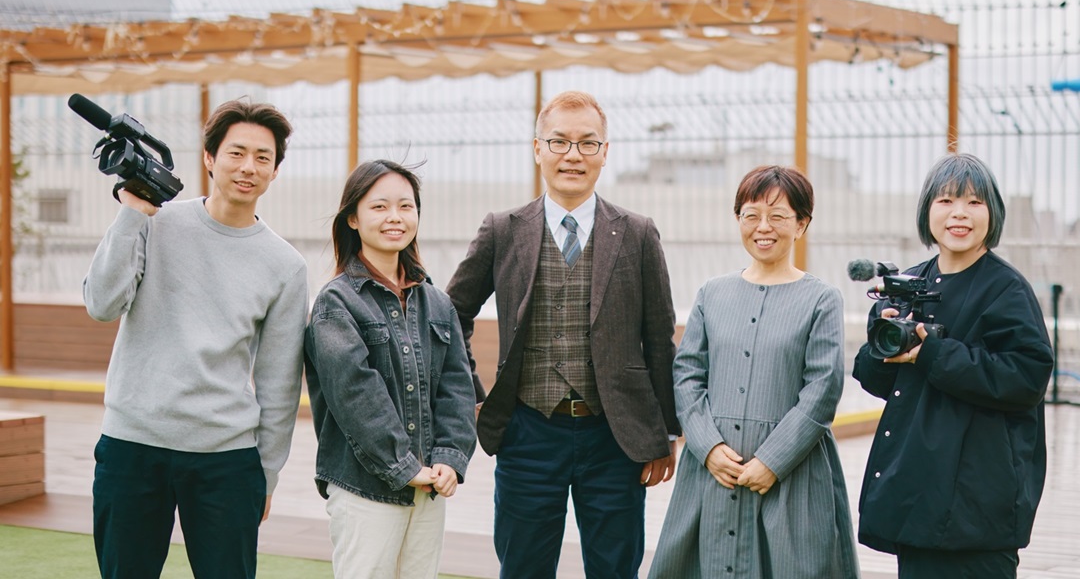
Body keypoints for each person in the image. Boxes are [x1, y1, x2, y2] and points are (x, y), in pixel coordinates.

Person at [445, 90, 679, 579]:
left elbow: (659, 338)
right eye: (559, 142)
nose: (573, 155)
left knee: (616, 570)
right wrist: (475, 394)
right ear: (538, 149)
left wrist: (666, 432)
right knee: (523, 568)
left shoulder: (638, 233)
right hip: (528, 432)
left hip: (616, 437)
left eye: (587, 143)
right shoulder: (502, 230)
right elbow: (449, 317)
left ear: (605, 153)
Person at [82, 99, 307, 579]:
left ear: (275, 171)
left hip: (227, 460)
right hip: (132, 445)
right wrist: (131, 213)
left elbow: (280, 383)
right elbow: (101, 305)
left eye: (262, 158)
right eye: (236, 153)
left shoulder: (286, 266)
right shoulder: (154, 220)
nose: (248, 167)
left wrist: (266, 474)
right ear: (209, 157)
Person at [649, 165, 860, 579]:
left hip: (792, 476)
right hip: (713, 472)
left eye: (778, 216)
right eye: (751, 215)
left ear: (801, 224)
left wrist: (772, 460)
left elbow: (823, 389)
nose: (763, 227)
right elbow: (688, 374)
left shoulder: (821, 299)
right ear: (738, 220)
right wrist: (708, 447)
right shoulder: (712, 293)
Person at [853, 152, 1054, 579]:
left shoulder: (1006, 289)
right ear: (927, 212)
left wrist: (932, 354)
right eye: (945, 201)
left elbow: (1027, 377)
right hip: (918, 495)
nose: (959, 213)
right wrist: (883, 342)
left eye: (973, 202)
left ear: (992, 213)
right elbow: (875, 379)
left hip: (977, 506)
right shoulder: (911, 282)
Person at [303, 159, 477, 579]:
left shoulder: (437, 302)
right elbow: (355, 394)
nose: (395, 217)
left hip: (428, 487)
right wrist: (404, 466)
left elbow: (457, 387)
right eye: (379, 207)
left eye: (406, 206)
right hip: (365, 489)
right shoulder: (336, 303)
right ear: (353, 218)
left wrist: (449, 459)